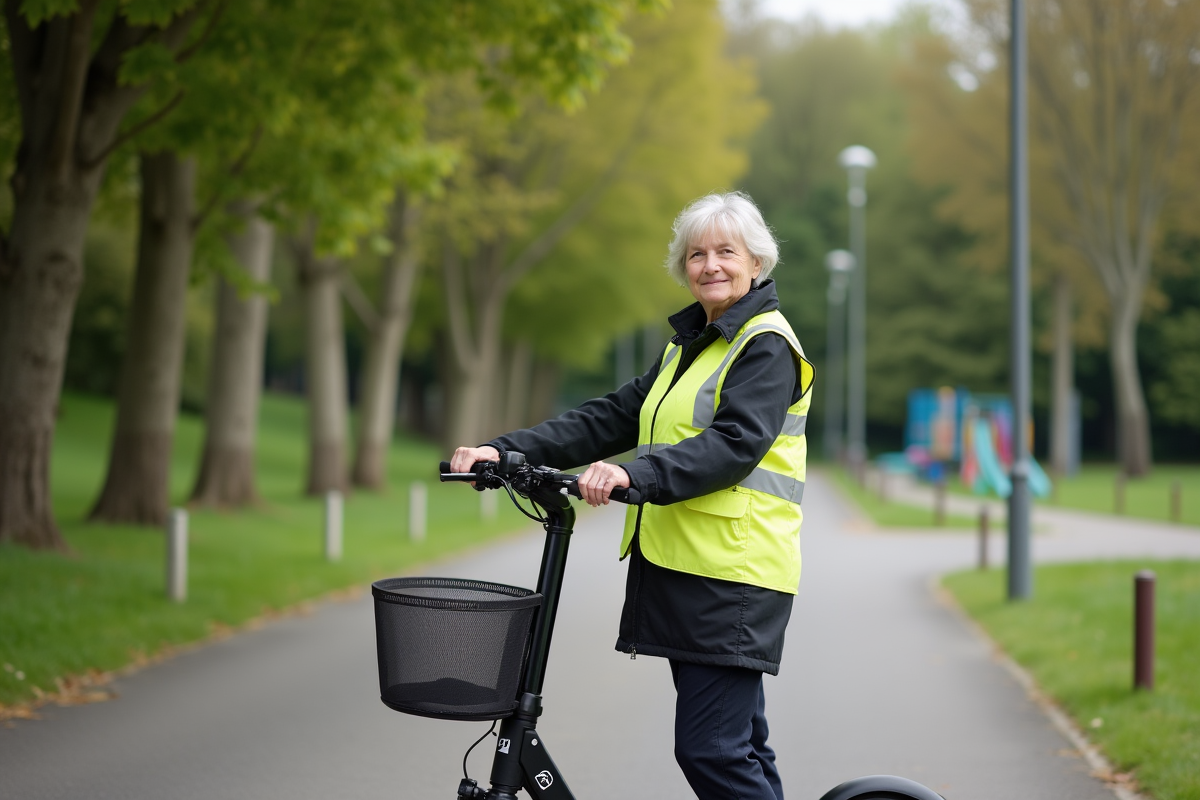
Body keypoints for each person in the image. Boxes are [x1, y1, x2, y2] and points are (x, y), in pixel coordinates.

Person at [450, 191, 813, 800]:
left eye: (726, 252)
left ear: (756, 262)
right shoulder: (692, 344)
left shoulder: (765, 343)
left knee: (712, 750)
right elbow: (612, 417)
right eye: (696, 254)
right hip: (693, 568)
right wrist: (504, 451)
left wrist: (632, 476)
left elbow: (733, 445)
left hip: (733, 575)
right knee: (738, 747)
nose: (710, 265)